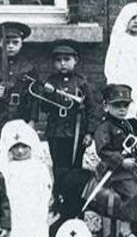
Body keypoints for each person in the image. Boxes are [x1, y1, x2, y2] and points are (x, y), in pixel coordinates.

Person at [92, 84, 137, 230]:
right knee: (133, 193)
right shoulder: (104, 127)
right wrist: (122, 162)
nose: (122, 109)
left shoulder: (127, 125)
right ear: (106, 107)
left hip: (130, 170)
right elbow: (103, 151)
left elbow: (131, 144)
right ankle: (125, 229)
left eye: (125, 105)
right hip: (113, 172)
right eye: (117, 105)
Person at [39, 40, 99, 176]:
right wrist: (48, 94)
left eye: (67, 59)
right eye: (58, 60)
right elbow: (44, 108)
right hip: (56, 131)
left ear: (75, 60)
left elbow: (92, 108)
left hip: (77, 131)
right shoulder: (51, 81)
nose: (62, 63)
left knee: (75, 165)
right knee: (58, 166)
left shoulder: (82, 82)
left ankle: (73, 195)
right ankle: (59, 194)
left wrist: (90, 133)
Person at [0, 21, 39, 131]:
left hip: (21, 116)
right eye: (6, 43)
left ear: (21, 44)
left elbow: (35, 96)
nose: (10, 46)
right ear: (0, 43)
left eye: (15, 42)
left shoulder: (28, 68)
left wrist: (32, 120)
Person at [104, 2, 137, 117]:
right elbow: (111, 65)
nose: (136, 21)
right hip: (124, 81)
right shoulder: (119, 41)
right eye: (133, 18)